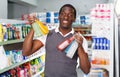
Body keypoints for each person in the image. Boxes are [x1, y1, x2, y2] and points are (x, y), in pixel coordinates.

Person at [22, 4, 91, 77]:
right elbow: (26, 52)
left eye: (70, 15)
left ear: (74, 19)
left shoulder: (80, 39)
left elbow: (86, 70)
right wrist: (33, 27)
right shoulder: (48, 35)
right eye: (63, 14)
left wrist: (79, 46)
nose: (66, 17)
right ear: (58, 16)